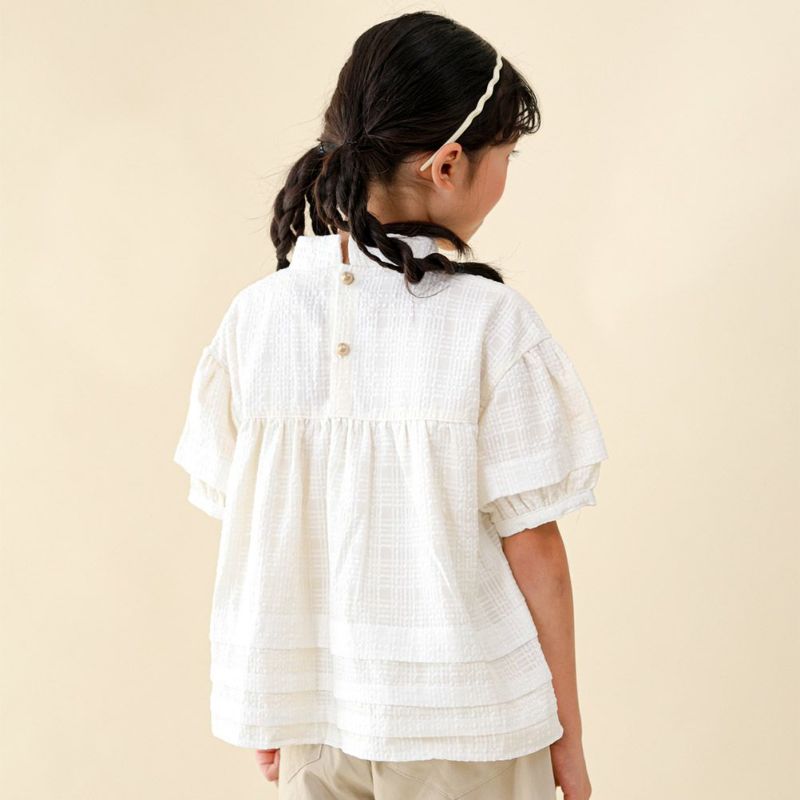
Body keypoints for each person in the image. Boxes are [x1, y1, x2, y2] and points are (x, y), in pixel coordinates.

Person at [173, 10, 609, 800]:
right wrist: (568, 740)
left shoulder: (255, 320)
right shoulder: (489, 324)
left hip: (319, 729)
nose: (506, 176)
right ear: (448, 165)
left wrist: (270, 697)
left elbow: (256, 532)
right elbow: (534, 548)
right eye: (506, 155)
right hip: (470, 727)